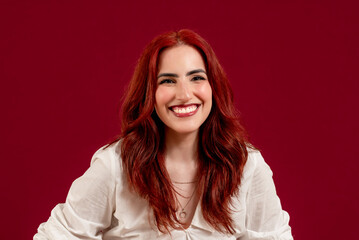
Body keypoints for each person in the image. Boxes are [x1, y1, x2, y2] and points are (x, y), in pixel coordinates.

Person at [34, 29, 293, 239]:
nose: (184, 94)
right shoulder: (117, 165)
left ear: (214, 87)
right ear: (150, 94)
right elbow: (56, 235)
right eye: (167, 80)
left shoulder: (247, 167)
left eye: (196, 78)